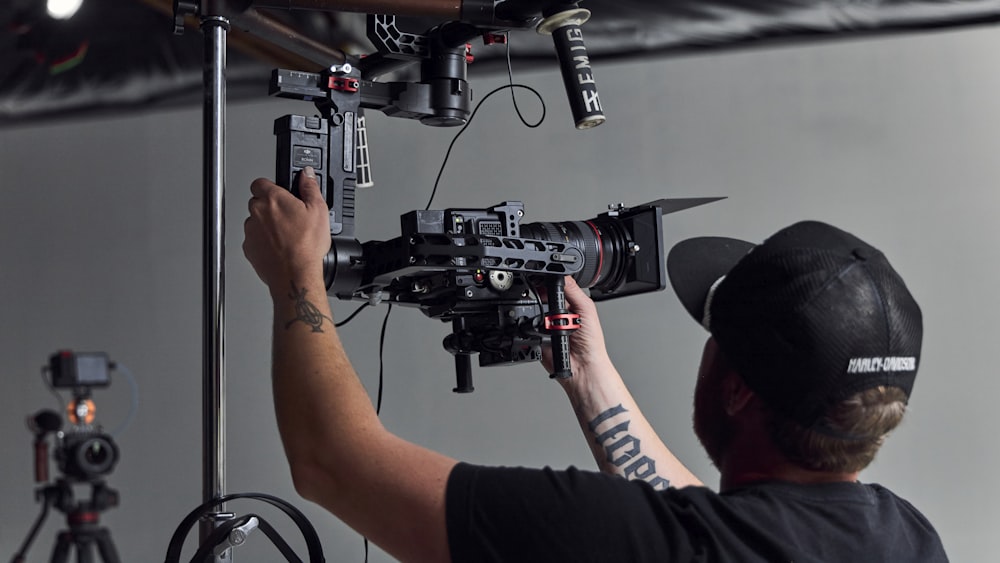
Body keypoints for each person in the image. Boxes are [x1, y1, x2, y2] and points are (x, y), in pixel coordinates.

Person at [243, 166, 947, 562]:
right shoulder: (909, 540)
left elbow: (333, 462)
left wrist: (298, 276)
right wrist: (588, 370)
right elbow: (716, 531)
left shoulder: (606, 536)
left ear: (733, 387)